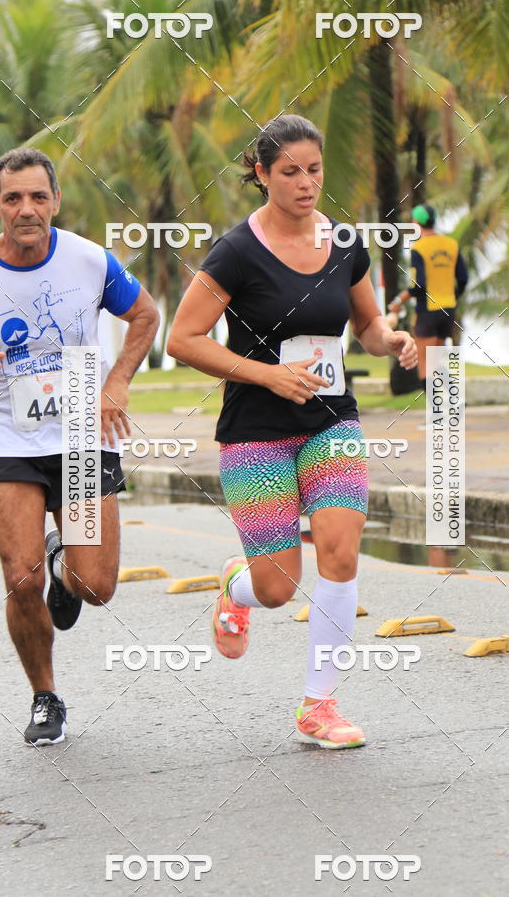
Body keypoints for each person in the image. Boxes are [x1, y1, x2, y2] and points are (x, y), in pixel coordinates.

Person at [167, 115, 417, 749]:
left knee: (339, 549)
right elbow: (182, 339)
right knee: (277, 586)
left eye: (315, 169)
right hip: (256, 429)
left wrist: (391, 341)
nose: (307, 184)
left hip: (331, 419)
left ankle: (319, 704)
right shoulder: (235, 252)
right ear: (261, 175)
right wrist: (267, 374)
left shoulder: (346, 244)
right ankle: (237, 585)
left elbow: (365, 326)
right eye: (290, 172)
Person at [0, 147, 159, 746]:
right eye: (14, 198)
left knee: (95, 586)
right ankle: (45, 696)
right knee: (19, 579)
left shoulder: (89, 260)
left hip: (79, 438)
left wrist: (116, 383)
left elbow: (146, 316)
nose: (27, 209)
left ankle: (63, 567)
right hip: (7, 437)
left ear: (56, 201)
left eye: (38, 196)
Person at [389, 204, 468, 390]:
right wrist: (452, 297)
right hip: (448, 309)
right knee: (437, 360)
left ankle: (434, 415)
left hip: (428, 311)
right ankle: (455, 397)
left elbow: (419, 285)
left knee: (424, 362)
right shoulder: (451, 244)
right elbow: (463, 279)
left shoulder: (419, 248)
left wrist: (399, 300)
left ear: (416, 222)